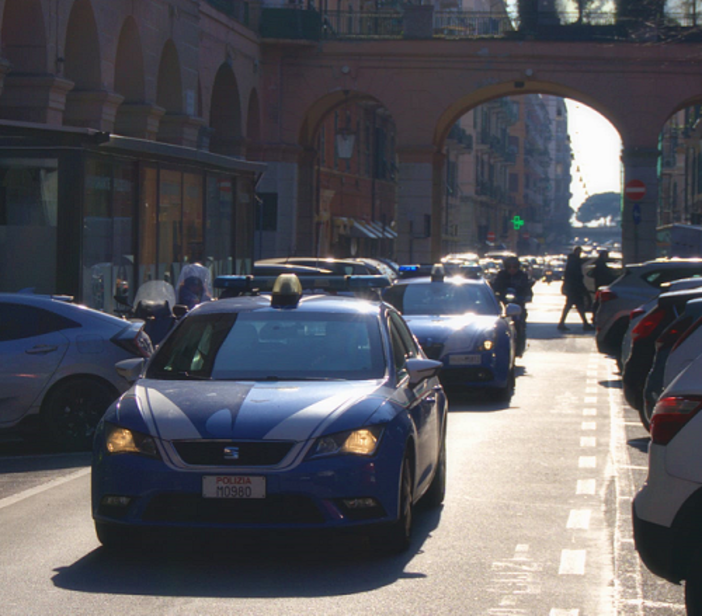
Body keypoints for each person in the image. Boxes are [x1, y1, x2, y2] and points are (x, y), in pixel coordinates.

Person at [492, 256, 534, 356]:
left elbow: (527, 288)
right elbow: (496, 287)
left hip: (518, 304)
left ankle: (520, 346)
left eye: (514, 267)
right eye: (509, 267)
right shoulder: (501, 275)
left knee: (521, 322)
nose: (512, 269)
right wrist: (497, 296)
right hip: (503, 306)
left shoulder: (522, 276)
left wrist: (527, 296)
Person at [558, 246, 594, 331]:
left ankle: (563, 323)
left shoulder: (572, 261)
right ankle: (584, 324)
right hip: (575, 288)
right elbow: (575, 276)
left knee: (573, 306)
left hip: (573, 288)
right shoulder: (574, 262)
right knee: (577, 306)